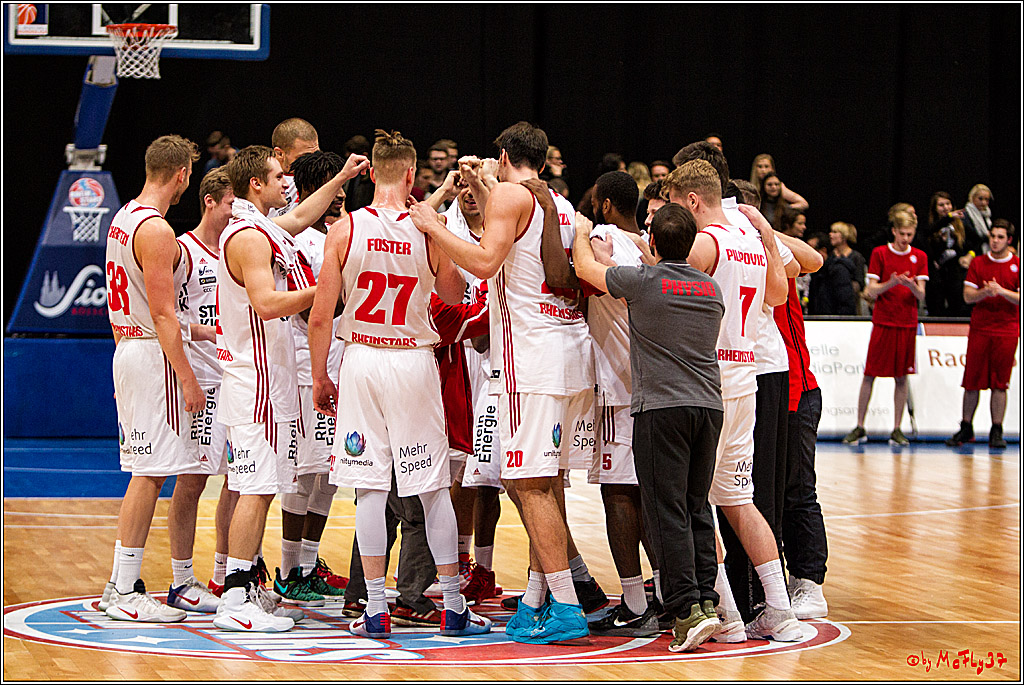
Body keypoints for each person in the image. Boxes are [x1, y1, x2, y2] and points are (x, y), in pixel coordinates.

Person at [408, 122, 597, 644]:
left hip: (531, 357)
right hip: (567, 350)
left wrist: (431, 223)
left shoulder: (511, 195)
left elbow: (486, 260)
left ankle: (564, 604)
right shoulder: (557, 202)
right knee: (543, 481)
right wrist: (482, 183)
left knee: (527, 483)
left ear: (505, 154)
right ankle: (538, 599)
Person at [309, 130, 489, 640]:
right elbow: (453, 294)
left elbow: (322, 316)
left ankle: (373, 608)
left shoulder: (344, 229)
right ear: (411, 174)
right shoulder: (428, 229)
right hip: (412, 361)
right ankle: (453, 605)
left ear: (372, 174)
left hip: (362, 358)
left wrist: (321, 374)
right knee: (431, 492)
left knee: (369, 491)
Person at [212, 144, 368, 632]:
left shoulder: (263, 227)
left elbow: (302, 213)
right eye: (280, 175)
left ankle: (246, 586)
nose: (287, 182)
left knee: (261, 487)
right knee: (255, 489)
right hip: (255, 381)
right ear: (256, 183)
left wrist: (341, 177)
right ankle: (234, 597)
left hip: (270, 380)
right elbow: (264, 302)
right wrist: (327, 289)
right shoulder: (249, 237)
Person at [573, 203, 726, 652]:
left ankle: (683, 611)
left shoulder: (642, 282)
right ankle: (707, 601)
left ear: (653, 241)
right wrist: (650, 248)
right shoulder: (711, 289)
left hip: (661, 409)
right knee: (697, 507)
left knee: (666, 511)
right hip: (708, 408)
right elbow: (668, 270)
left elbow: (585, 267)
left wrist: (582, 230)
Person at [663, 160, 800, 643]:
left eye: (676, 204)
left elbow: (665, 291)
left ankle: (729, 617)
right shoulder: (751, 242)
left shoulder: (707, 242)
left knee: (695, 501)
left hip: (709, 379)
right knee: (740, 501)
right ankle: (780, 610)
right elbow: (779, 297)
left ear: (693, 200)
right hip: (747, 378)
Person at [101, 135, 203, 623]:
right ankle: (123, 588)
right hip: (150, 353)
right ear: (182, 174)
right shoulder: (159, 231)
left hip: (129, 345)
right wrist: (186, 376)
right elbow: (163, 314)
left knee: (147, 472)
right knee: (149, 474)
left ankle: (119, 584)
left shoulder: (122, 217)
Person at [580, 171, 663, 637]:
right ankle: (669, 590)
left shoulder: (603, 237)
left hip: (617, 385)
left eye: (595, 203)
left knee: (618, 493)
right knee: (648, 495)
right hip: (651, 382)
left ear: (607, 204)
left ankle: (634, 602)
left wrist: (572, 227)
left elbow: (578, 276)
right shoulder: (650, 244)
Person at [271, 150, 352, 607]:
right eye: (330, 184)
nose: (340, 193)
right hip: (306, 367)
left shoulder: (344, 231)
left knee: (329, 474)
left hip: (344, 363)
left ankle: (308, 562)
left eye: (341, 185)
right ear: (307, 190)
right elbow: (314, 307)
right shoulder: (295, 239)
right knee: (303, 473)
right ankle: (287, 571)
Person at [165, 168, 235, 613]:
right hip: (202, 379)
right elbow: (166, 315)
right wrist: (206, 331)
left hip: (236, 379)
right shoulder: (183, 250)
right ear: (210, 201)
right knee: (191, 480)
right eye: (230, 203)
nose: (235, 212)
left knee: (242, 479)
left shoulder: (235, 247)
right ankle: (180, 578)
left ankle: (227, 574)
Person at [842, 210, 928, 447]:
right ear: (893, 231)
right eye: (902, 233)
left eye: (910, 234)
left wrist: (910, 285)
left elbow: (921, 293)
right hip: (883, 321)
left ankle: (897, 429)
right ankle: (860, 426)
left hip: (907, 323)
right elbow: (870, 291)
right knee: (870, 374)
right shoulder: (880, 253)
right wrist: (890, 283)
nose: (906, 239)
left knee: (902, 377)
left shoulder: (919, 256)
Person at [946, 221, 1020, 449]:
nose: (995, 241)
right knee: (972, 381)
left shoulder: (1017, 264)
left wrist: (1002, 292)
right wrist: (984, 292)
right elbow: (968, 296)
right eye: (992, 236)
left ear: (1008, 240)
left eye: (1000, 237)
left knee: (1000, 383)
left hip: (1007, 329)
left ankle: (996, 429)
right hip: (980, 328)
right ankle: (966, 427)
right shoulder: (979, 263)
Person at [925, 191, 971, 316]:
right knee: (936, 307)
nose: (946, 208)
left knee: (957, 306)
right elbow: (927, 237)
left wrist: (969, 255)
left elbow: (972, 244)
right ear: (934, 208)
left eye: (948, 204)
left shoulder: (960, 224)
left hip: (954, 272)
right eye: (941, 205)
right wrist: (948, 218)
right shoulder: (931, 225)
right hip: (936, 274)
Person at [267, 118, 320, 219]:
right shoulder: (262, 180)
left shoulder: (323, 176)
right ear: (279, 153)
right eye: (304, 157)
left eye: (316, 155)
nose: (313, 162)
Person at [809, 222, 864, 315]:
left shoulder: (856, 257)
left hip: (849, 299)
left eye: (835, 232)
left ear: (844, 236)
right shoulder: (830, 255)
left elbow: (859, 282)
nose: (830, 234)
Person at [962, 184, 994, 255]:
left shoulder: (987, 215)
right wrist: (988, 236)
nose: (984, 203)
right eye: (980, 199)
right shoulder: (965, 215)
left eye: (987, 200)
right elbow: (972, 239)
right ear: (972, 197)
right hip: (970, 254)